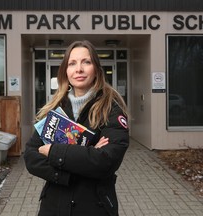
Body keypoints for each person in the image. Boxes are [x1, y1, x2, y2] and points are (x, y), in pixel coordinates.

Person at [24, 40, 129, 216]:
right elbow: (31, 156)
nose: (78, 69)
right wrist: (79, 162)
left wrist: (53, 151)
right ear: (66, 71)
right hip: (52, 208)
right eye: (72, 63)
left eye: (86, 62)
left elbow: (106, 161)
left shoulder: (111, 109)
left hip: (94, 207)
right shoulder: (55, 109)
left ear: (96, 69)